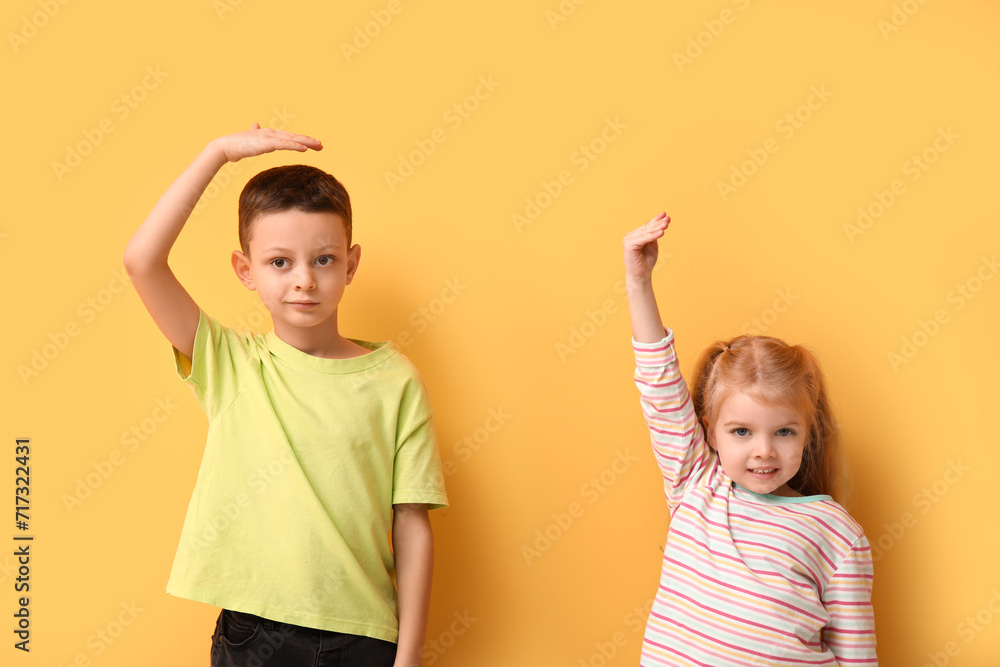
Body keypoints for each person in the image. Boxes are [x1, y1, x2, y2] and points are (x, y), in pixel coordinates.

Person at [123, 123, 448, 667]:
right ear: (245, 271)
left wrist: (409, 655)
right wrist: (218, 153)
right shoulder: (231, 366)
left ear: (351, 263)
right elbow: (142, 261)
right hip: (255, 636)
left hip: (364, 637)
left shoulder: (395, 380)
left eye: (324, 259)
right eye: (280, 262)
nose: (304, 280)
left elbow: (412, 521)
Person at [623, 212, 877, 665]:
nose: (763, 450)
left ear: (807, 432)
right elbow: (658, 385)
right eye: (741, 431)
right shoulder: (697, 485)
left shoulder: (837, 532)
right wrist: (638, 282)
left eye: (783, 431)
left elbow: (856, 653)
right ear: (709, 432)